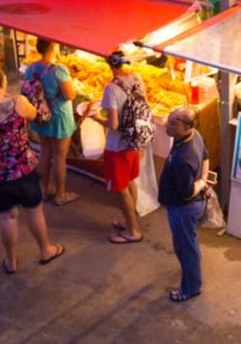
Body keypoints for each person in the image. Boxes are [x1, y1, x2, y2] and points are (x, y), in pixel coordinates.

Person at [0, 69, 65, 274]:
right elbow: (38, 116)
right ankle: (46, 250)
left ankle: (11, 261)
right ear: (4, 83)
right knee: (34, 211)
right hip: (22, 170)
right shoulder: (18, 103)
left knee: (7, 217)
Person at [90, 51, 147, 244]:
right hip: (134, 141)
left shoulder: (111, 88)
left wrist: (98, 119)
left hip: (118, 147)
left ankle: (133, 231)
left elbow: (113, 125)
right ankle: (129, 220)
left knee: (121, 188)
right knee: (130, 181)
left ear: (110, 65)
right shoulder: (137, 78)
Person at [158, 107, 209, 303]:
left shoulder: (182, 158)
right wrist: (204, 176)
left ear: (186, 127)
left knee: (185, 247)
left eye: (172, 123)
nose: (167, 124)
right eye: (169, 119)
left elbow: (187, 192)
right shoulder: (194, 135)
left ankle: (190, 287)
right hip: (189, 205)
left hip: (183, 209)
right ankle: (191, 276)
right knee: (188, 244)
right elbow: (206, 155)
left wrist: (202, 183)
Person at [23, 39, 79, 206]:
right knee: (60, 156)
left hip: (40, 115)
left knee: (45, 152)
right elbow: (70, 95)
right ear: (53, 48)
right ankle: (60, 194)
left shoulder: (31, 67)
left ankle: (43, 189)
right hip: (59, 116)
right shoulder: (59, 70)